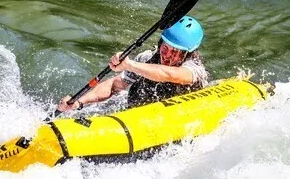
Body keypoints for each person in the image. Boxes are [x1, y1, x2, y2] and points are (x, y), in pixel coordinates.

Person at [57, 15, 209, 112]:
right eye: (165, 48)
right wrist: (79, 102)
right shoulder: (147, 58)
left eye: (175, 52)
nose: (167, 56)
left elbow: (169, 74)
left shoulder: (194, 68)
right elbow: (114, 86)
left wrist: (129, 64)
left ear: (187, 53)